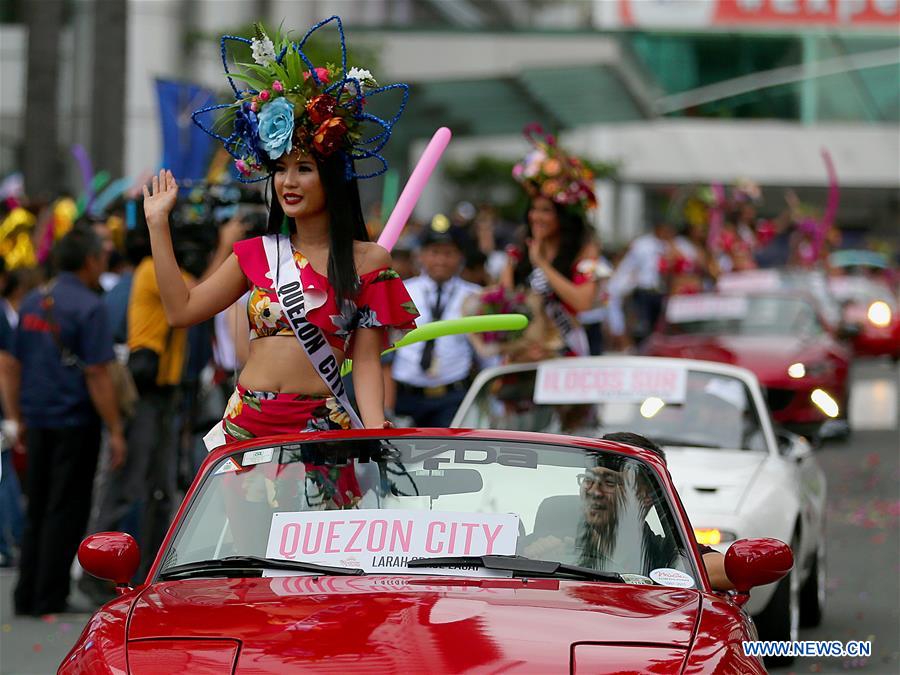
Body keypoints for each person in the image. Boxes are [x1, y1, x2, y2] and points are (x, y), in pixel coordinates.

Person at [144, 18, 418, 444]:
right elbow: (181, 311)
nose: (288, 182)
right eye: (280, 169)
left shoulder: (368, 261)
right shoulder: (254, 254)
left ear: (332, 178)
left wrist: (372, 427)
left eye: (304, 168)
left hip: (322, 431)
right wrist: (157, 224)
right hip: (247, 429)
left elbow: (366, 362)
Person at [10, 228, 127, 615]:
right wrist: (115, 429)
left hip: (36, 417)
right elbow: (97, 374)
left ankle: (26, 593)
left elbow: (11, 364)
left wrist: (15, 415)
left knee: (38, 505)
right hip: (75, 421)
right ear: (90, 260)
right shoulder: (89, 307)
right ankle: (50, 593)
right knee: (66, 508)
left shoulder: (33, 300)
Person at [502, 125, 600, 358]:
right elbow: (504, 298)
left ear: (563, 216)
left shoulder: (585, 251)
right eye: (534, 210)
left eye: (546, 211)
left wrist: (542, 264)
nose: (537, 217)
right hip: (524, 352)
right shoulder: (519, 250)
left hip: (563, 352)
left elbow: (583, 302)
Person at [600, 432, 734, 592]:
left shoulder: (664, 554)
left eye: (609, 482)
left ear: (646, 495)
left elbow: (729, 572)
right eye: (588, 479)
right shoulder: (570, 540)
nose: (594, 491)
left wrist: (666, 574)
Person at [390, 220, 481, 427]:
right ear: (421, 255)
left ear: (460, 257)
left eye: (448, 253)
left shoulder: (475, 296)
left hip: (453, 395)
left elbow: (486, 350)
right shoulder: (402, 291)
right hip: (405, 395)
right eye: (434, 252)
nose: (441, 260)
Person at [607, 220, 676, 349]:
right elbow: (629, 266)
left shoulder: (666, 245)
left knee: (656, 325)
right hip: (644, 290)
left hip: (659, 290)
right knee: (642, 325)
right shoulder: (642, 244)